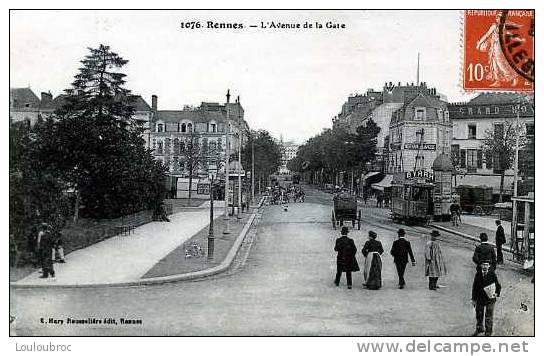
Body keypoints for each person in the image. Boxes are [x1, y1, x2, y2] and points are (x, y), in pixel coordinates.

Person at [471, 261, 502, 336]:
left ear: (489, 266)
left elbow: (498, 285)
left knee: (489, 316)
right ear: (481, 265)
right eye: (483, 265)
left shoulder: (492, 274)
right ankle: (479, 328)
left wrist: (496, 293)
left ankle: (488, 332)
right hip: (480, 298)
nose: (485, 266)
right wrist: (474, 299)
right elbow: (475, 287)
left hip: (490, 298)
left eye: (486, 265)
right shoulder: (478, 274)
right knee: (479, 314)